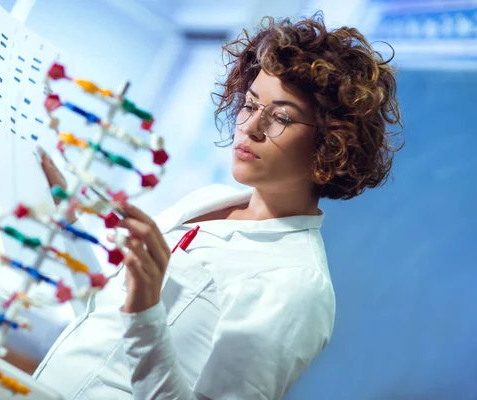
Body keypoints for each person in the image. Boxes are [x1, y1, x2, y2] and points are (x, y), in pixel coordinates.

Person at [34, 12, 402, 400]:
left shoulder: (297, 286)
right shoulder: (207, 200)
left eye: (279, 117)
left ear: (331, 144)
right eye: (249, 104)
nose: (250, 127)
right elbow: (107, 317)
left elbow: (139, 317)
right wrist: (67, 230)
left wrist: (146, 313)